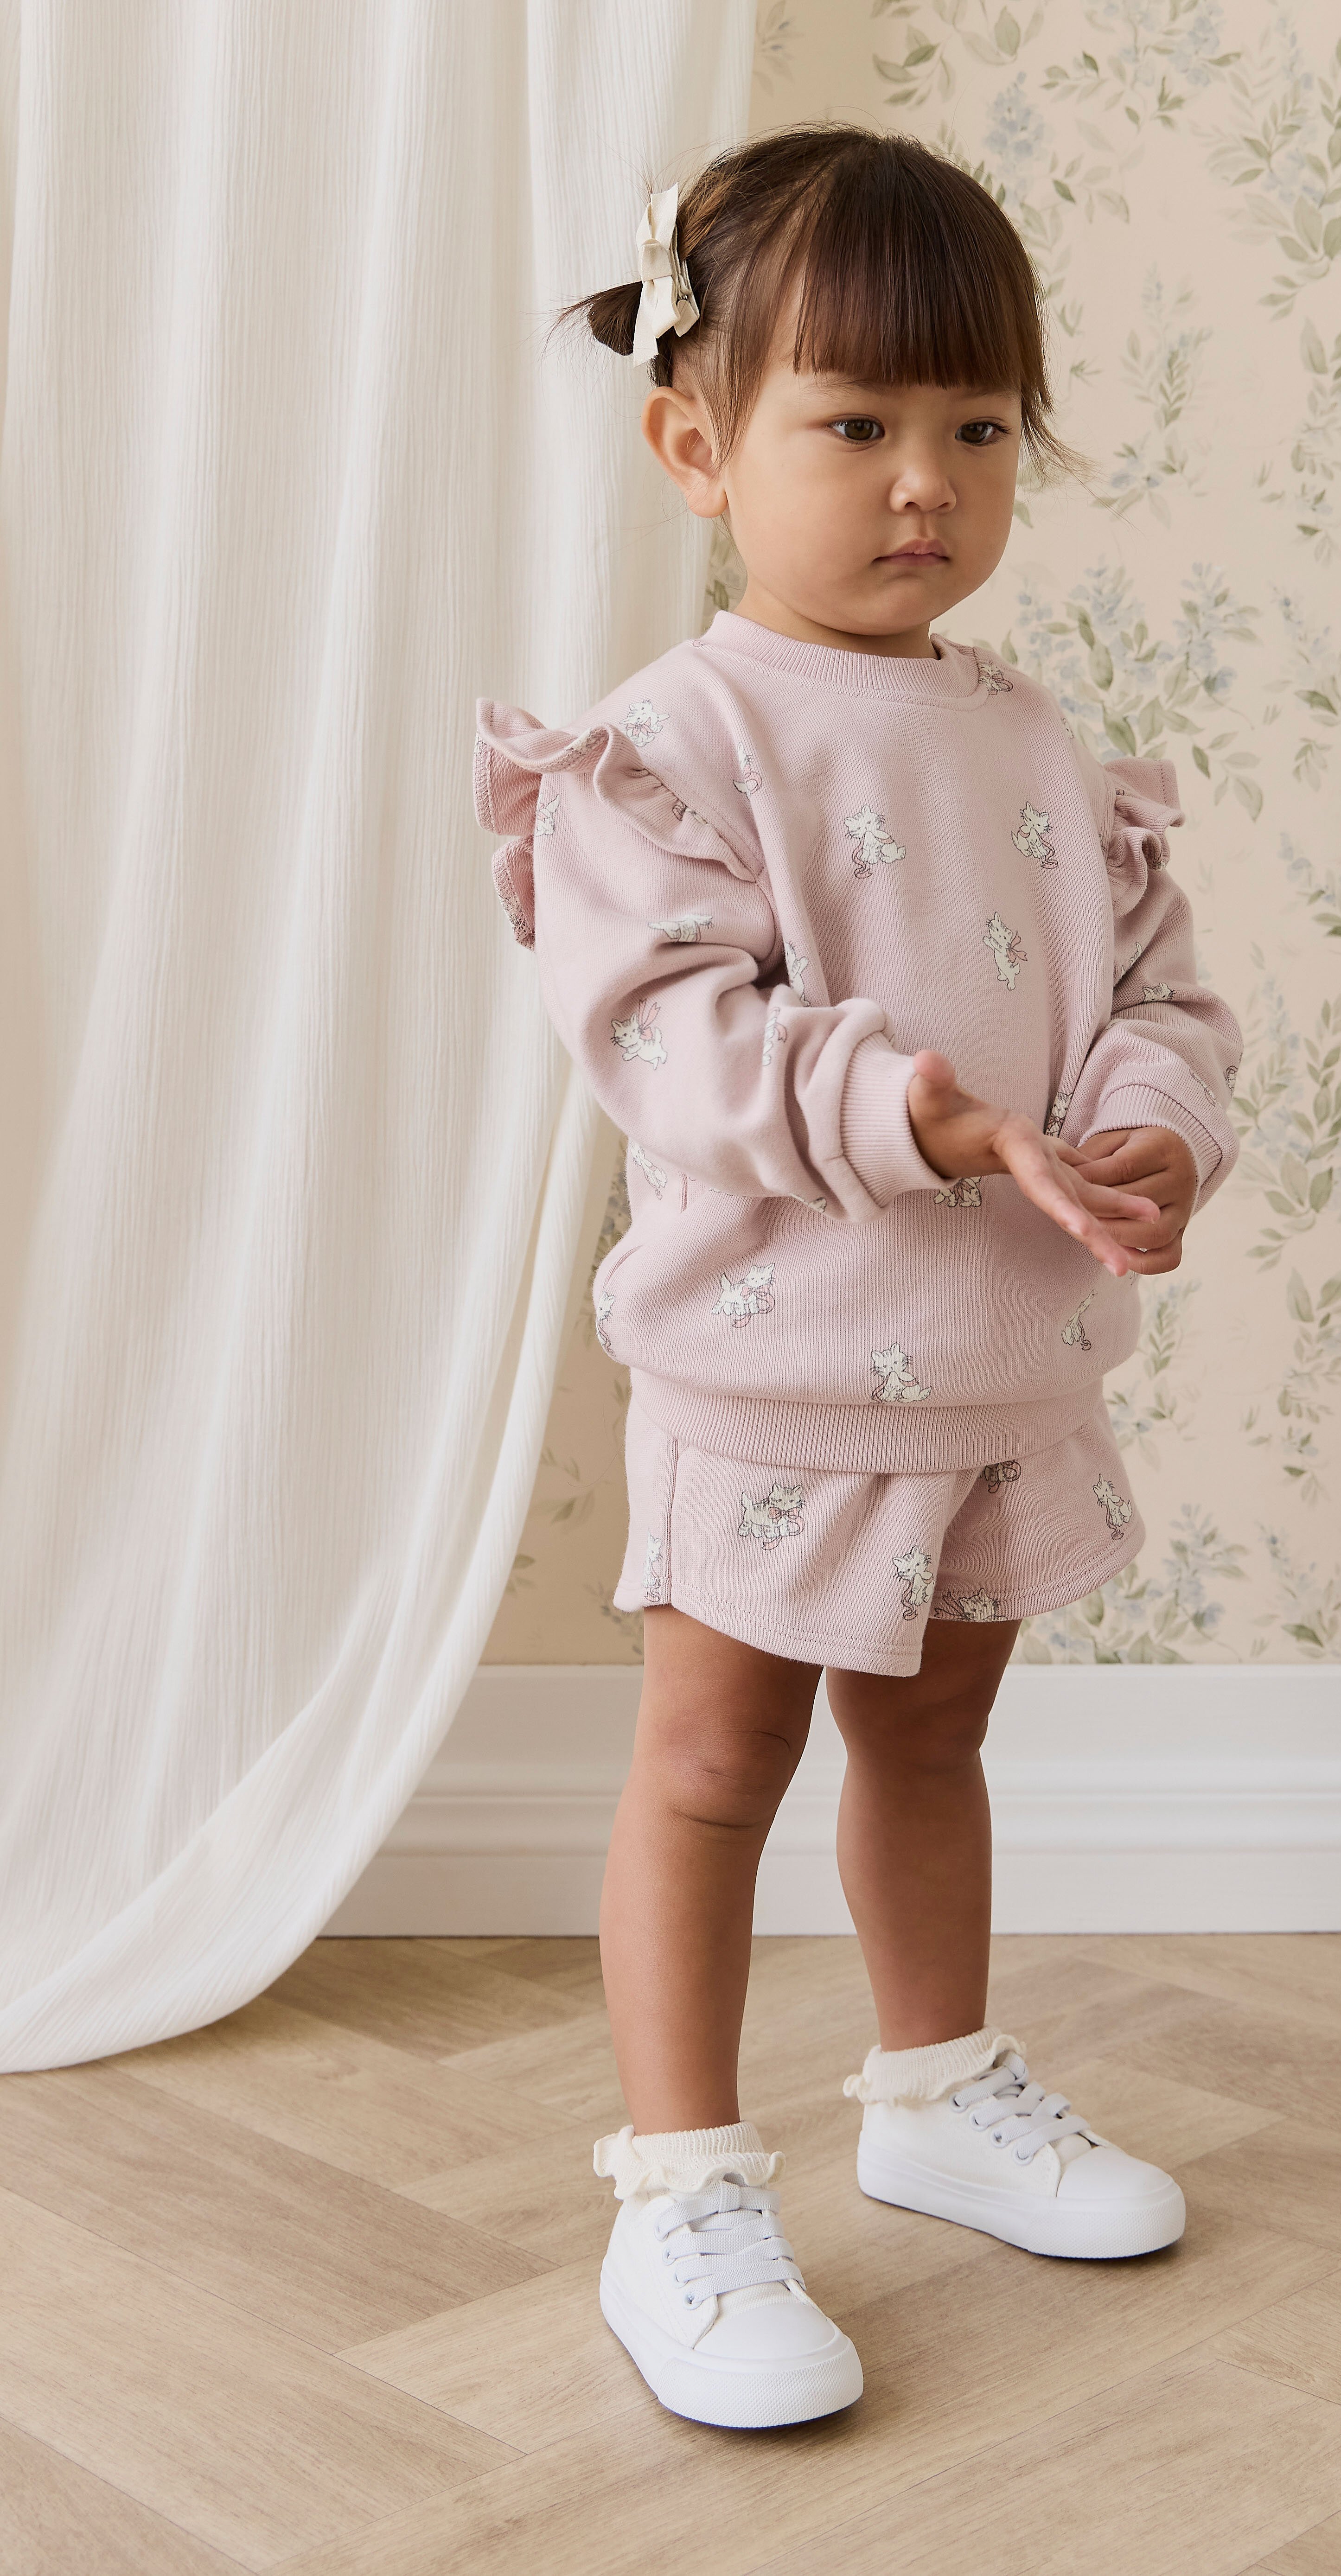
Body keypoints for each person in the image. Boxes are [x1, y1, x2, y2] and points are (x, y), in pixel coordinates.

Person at [473, 124, 1244, 2432]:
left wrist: (1147, 1125)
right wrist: (936, 1117)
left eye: (979, 427)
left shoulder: (1034, 739)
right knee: (715, 1764)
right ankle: (682, 2189)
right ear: (695, 447)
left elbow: (1155, 996)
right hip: (778, 1375)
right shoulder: (669, 746)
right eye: (856, 424)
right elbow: (675, 1037)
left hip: (1001, 1365)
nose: (927, 482)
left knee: (933, 1735)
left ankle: (934, 2086)